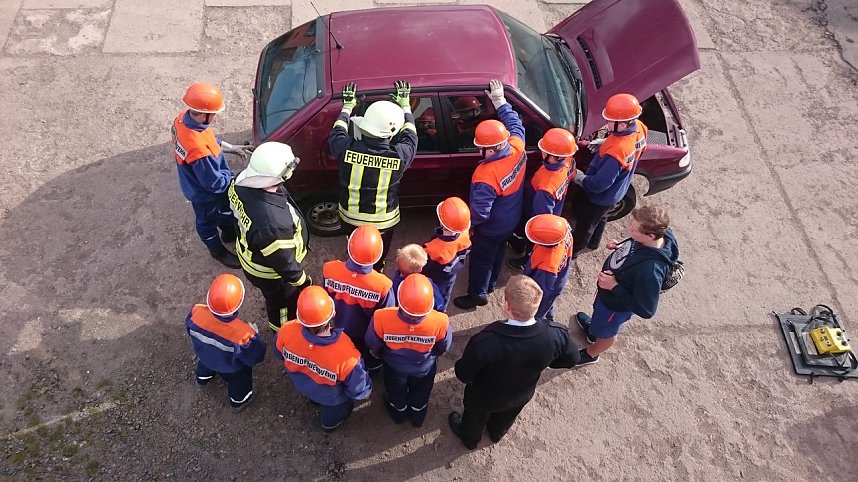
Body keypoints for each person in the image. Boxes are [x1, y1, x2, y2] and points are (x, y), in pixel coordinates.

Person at [448, 275, 580, 449]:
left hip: (484, 396)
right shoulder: (555, 334)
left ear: (506, 305)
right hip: (521, 394)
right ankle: (496, 432)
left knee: (474, 418)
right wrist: (548, 361)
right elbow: (573, 358)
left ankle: (470, 439)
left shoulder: (486, 341)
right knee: (507, 416)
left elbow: (463, 374)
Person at [328, 80, 418, 271]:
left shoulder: (345, 149)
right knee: (378, 253)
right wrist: (405, 106)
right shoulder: (399, 156)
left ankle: (354, 263)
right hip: (384, 222)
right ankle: (377, 269)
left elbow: (337, 131)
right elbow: (411, 136)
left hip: (349, 218)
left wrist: (347, 107)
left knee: (355, 247)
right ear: (391, 132)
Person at [453, 80, 526, 310]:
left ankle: (478, 294)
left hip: (492, 225)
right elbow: (515, 124)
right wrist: (500, 101)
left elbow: (480, 213)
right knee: (498, 250)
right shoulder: (516, 146)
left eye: (481, 147)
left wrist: (468, 227)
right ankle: (492, 283)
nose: (478, 150)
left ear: (492, 149)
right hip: (511, 218)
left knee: (481, 259)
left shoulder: (486, 175)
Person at [575, 205, 678, 365]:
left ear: (651, 236)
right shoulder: (658, 235)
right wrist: (622, 246)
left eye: (633, 230)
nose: (629, 230)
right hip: (607, 295)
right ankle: (594, 331)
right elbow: (637, 246)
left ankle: (591, 354)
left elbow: (646, 310)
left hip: (615, 307)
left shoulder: (650, 271)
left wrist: (614, 286)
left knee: (608, 333)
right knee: (600, 321)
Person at [227, 142, 312, 333]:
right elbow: (285, 264)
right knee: (281, 305)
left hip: (251, 254)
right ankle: (282, 332)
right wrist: (304, 282)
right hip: (272, 274)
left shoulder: (239, 180)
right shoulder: (273, 225)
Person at [171, 82, 253, 268]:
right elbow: (214, 183)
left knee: (226, 210)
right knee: (207, 222)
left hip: (200, 181)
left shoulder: (182, 119)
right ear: (203, 114)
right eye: (214, 113)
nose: (215, 117)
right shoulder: (199, 151)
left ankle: (228, 232)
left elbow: (209, 138)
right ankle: (217, 251)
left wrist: (232, 148)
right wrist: (239, 180)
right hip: (204, 193)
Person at [275, 286, 372, 432]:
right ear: (333, 313)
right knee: (334, 414)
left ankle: (314, 401)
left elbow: (279, 353)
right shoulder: (345, 353)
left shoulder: (286, 330)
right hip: (332, 398)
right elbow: (358, 387)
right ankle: (329, 425)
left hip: (303, 385)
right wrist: (365, 391)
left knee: (315, 395)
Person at [365, 274, 452, 427]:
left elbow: (372, 343)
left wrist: (381, 354)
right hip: (424, 368)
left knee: (395, 391)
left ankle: (398, 413)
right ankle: (417, 417)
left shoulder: (381, 317)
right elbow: (444, 346)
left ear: (399, 298)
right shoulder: (441, 321)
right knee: (421, 392)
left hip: (394, 367)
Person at [571, 93, 648, 259]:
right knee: (602, 215)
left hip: (601, 196)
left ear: (622, 124)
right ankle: (594, 242)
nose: (606, 122)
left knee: (586, 223)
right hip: (617, 191)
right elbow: (638, 150)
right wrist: (606, 143)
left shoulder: (616, 152)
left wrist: (579, 177)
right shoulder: (640, 127)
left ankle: (575, 250)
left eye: (610, 120)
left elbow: (599, 184)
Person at [185, 274, 266, 411]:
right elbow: (255, 356)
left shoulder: (196, 311)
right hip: (232, 369)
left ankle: (202, 378)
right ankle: (239, 401)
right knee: (240, 384)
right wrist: (254, 335)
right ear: (239, 303)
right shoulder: (244, 334)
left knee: (205, 365)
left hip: (205, 356)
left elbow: (189, 328)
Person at [322, 224, 394, 374]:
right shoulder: (382, 285)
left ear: (349, 246)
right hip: (365, 334)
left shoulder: (330, 269)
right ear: (379, 254)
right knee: (367, 360)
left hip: (338, 328)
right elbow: (386, 318)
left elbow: (325, 299)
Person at [508, 128, 578, 270]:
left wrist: (535, 230)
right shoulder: (568, 160)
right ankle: (520, 244)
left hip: (537, 213)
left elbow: (540, 217)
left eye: (544, 150)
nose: (542, 151)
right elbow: (572, 175)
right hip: (556, 208)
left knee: (534, 237)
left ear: (551, 156)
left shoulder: (546, 186)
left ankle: (528, 260)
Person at [423, 197, 472, 312]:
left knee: (433, 297)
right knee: (445, 294)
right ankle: (442, 311)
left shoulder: (433, 248)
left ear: (442, 223)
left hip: (434, 279)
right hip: (451, 274)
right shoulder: (465, 235)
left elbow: (424, 267)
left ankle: (433, 312)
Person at [522, 214, 573, 321]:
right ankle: (549, 314)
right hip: (559, 277)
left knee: (538, 312)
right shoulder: (562, 228)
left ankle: (540, 322)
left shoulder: (548, 265)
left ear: (544, 242)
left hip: (548, 286)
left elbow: (541, 291)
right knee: (549, 303)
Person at [392, 244, 445, 313]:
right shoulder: (427, 284)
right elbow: (439, 304)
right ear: (420, 269)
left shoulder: (393, 284)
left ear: (397, 260)